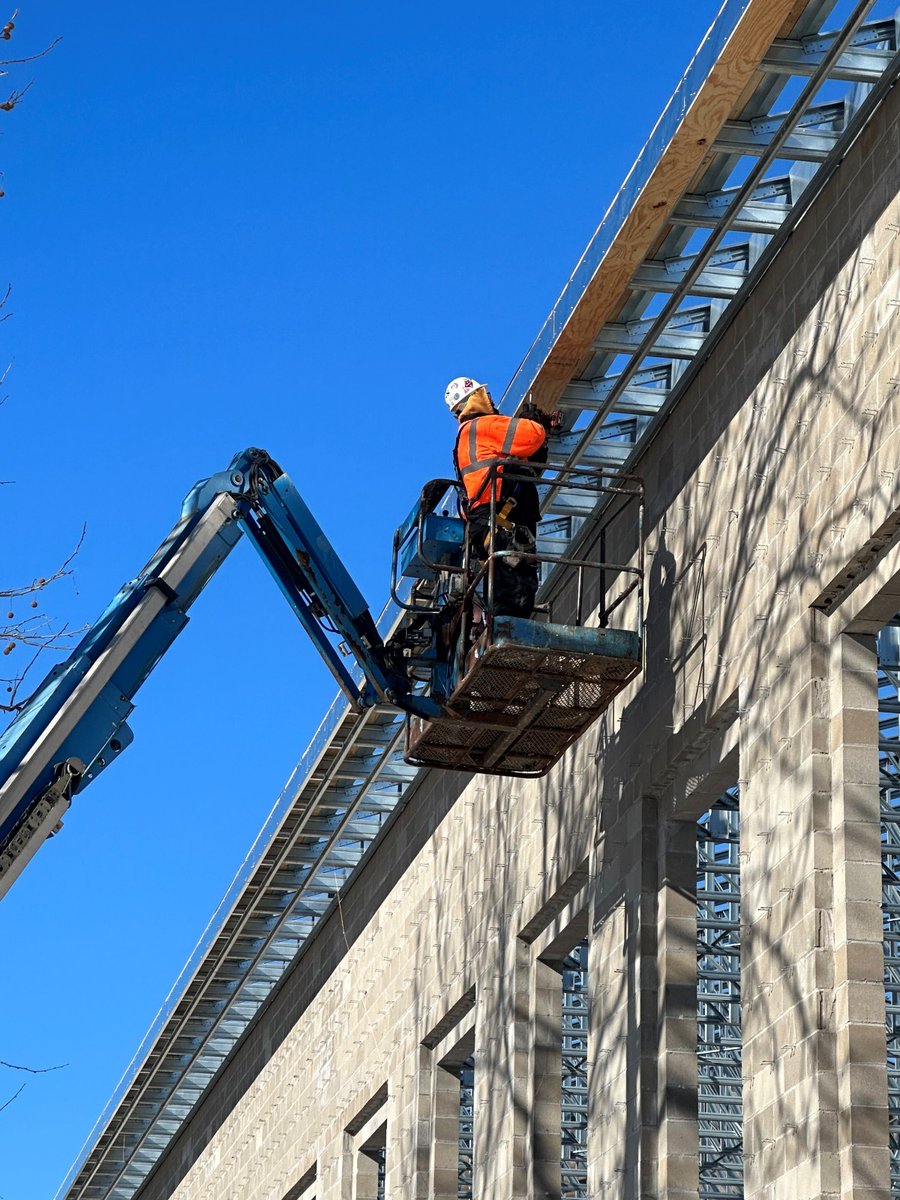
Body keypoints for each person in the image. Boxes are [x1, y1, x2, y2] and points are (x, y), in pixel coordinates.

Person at [445, 376, 548, 618]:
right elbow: (532, 436)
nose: (489, 398)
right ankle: (506, 633)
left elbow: (528, 464)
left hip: (494, 519)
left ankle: (503, 630)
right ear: (473, 399)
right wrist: (534, 424)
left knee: (514, 586)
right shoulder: (483, 426)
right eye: (484, 393)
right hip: (499, 517)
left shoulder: (470, 435)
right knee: (514, 590)